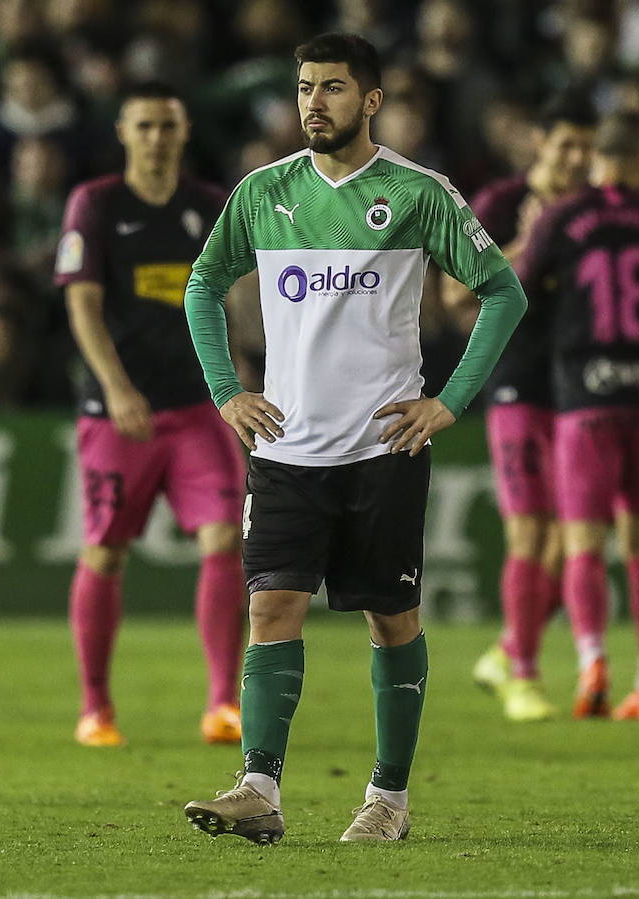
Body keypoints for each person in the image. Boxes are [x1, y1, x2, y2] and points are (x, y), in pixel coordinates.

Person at [181, 33, 526, 844]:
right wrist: (227, 391)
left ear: (371, 100)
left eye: (332, 87)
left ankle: (388, 801)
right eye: (305, 87)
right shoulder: (264, 191)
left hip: (383, 448)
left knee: (391, 621)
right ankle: (258, 788)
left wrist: (449, 401)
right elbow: (203, 283)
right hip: (286, 447)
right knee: (271, 608)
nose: (314, 102)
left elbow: (502, 292)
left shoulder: (417, 192)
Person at [53, 82, 246, 748]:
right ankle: (96, 708)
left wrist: (243, 376)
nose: (156, 138)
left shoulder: (210, 206)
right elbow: (81, 304)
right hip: (119, 412)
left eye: (167, 125)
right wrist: (116, 388)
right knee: (106, 549)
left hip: (197, 405)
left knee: (225, 538)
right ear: (123, 132)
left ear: (184, 131)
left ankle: (223, 703)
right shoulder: (96, 203)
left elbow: (236, 299)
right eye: (145, 126)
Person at [514, 111, 639, 721]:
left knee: (583, 541)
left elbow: (524, 286)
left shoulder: (564, 217)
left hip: (586, 395)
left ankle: (592, 663)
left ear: (598, 158)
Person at [443, 93, 597, 722]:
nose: (577, 158)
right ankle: (524, 677)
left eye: (586, 147)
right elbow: (455, 293)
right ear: (540, 143)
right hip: (517, 382)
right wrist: (528, 244)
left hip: (581, 387)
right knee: (530, 531)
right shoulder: (502, 205)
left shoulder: (593, 212)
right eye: (566, 144)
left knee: (575, 540)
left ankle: (508, 650)